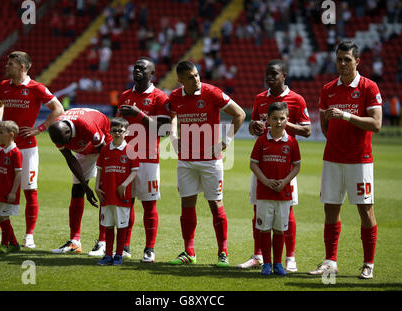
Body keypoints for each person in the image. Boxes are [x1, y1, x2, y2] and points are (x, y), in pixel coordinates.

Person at [308, 41, 382, 279]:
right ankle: (330, 262)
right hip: (332, 159)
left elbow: (377, 124)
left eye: (347, 60)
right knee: (331, 210)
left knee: (365, 210)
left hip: (360, 160)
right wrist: (335, 126)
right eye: (339, 59)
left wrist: (347, 115)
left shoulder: (369, 87)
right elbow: (327, 127)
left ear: (357, 61)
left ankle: (368, 263)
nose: (342, 64)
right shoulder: (328, 88)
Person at [0, 51, 64, 249]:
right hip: (5, 148)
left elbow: (58, 109)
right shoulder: (3, 86)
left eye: (11, 64)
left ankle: (29, 236)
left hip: (28, 149)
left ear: (22, 67)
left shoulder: (36, 88)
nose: (6, 67)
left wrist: (39, 129)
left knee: (30, 191)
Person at [168, 60, 246, 267]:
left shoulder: (212, 93)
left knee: (215, 204)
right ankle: (189, 252)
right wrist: (174, 137)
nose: (196, 79)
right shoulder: (175, 97)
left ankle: (223, 253)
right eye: (190, 77)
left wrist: (225, 142)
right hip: (186, 161)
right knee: (187, 204)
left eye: (196, 75)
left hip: (211, 161)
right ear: (180, 80)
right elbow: (172, 115)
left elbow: (240, 114)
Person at [238, 59, 311, 272]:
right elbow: (253, 128)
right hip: (263, 162)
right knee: (258, 209)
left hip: (284, 165)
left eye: (274, 74)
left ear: (284, 75)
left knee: (287, 211)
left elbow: (307, 131)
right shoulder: (260, 98)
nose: (269, 78)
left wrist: (281, 122)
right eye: (267, 74)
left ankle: (289, 257)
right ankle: (258, 255)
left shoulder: (296, 100)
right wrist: (254, 126)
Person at [116, 57, 171, 263]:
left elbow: (164, 129)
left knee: (149, 205)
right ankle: (126, 246)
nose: (137, 70)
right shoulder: (124, 95)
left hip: (148, 158)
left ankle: (149, 249)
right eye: (135, 67)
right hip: (126, 157)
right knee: (125, 202)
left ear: (152, 73)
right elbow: (118, 124)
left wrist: (139, 114)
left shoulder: (160, 97)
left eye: (142, 68)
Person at [48, 108, 112, 255]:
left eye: (66, 141)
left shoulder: (86, 125)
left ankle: (103, 242)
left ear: (68, 133)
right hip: (85, 149)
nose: (65, 144)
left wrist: (97, 184)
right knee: (77, 190)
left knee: (103, 190)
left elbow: (103, 153)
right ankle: (74, 242)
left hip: (104, 147)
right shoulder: (57, 132)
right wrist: (86, 187)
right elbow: (70, 158)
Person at [250, 102, 301, 275]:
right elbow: (253, 164)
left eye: (282, 118)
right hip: (264, 193)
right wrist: (264, 181)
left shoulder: (292, 142)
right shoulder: (261, 141)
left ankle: (278, 264)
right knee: (264, 229)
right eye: (274, 119)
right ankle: (267, 264)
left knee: (280, 229)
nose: (278, 122)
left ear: (287, 119)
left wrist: (285, 181)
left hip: (283, 193)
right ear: (268, 120)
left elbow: (296, 166)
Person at [95, 118, 139, 266]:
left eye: (121, 130)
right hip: (107, 194)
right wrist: (96, 187)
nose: (117, 133)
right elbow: (99, 169)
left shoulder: (130, 149)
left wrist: (124, 184)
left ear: (126, 132)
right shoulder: (106, 149)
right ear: (110, 132)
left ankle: (119, 255)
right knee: (108, 225)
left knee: (121, 226)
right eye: (114, 130)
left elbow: (134, 172)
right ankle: (108, 255)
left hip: (122, 195)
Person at [0, 121, 23, 254]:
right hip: (0, 190)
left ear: (11, 135)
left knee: (4, 217)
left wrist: (13, 192)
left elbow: (18, 174)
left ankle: (4, 245)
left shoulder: (15, 153)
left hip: (8, 192)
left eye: (1, 133)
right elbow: (0, 173)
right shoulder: (2, 150)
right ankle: (14, 243)